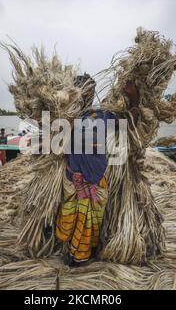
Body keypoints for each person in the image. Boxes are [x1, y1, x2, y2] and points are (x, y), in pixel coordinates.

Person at [55, 74, 140, 266]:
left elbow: (130, 122)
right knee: (70, 220)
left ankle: (81, 257)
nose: (86, 94)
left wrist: (134, 97)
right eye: (82, 89)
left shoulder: (102, 114)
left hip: (96, 179)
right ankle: (70, 251)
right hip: (73, 180)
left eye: (89, 90)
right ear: (72, 92)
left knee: (91, 223)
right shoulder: (66, 115)